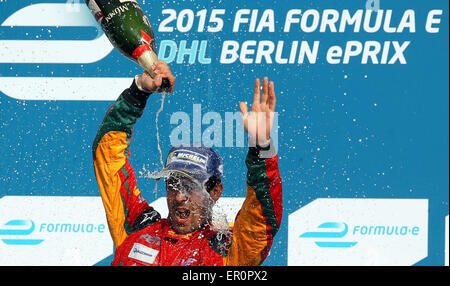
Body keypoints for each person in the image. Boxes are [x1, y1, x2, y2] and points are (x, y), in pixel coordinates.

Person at [92, 61, 282, 266]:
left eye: (190, 186)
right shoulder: (136, 226)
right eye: (173, 184)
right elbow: (108, 154)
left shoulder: (228, 250)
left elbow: (261, 218)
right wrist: (137, 92)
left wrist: (261, 146)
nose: (180, 196)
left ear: (215, 191)